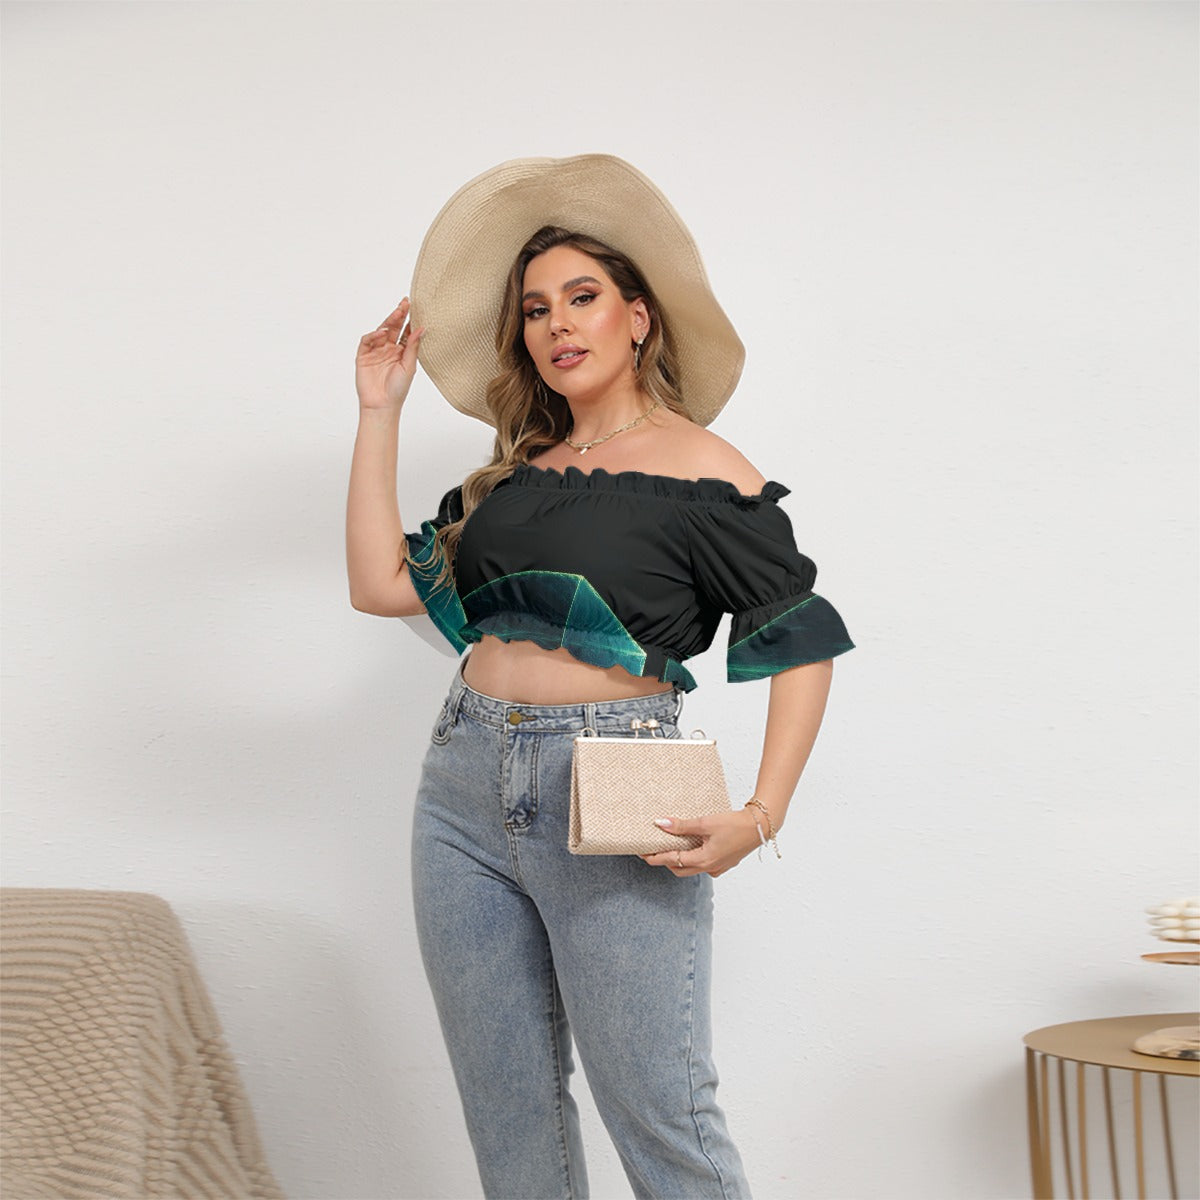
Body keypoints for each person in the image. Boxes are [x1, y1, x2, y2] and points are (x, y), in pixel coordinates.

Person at [346, 155, 854, 1200]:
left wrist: (762, 812)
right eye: (536, 309)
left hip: (623, 788)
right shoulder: (512, 478)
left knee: (662, 1113)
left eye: (582, 298)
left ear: (639, 318)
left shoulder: (706, 471)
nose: (556, 325)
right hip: (461, 789)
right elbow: (380, 585)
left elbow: (799, 641)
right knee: (509, 1119)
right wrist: (378, 410)